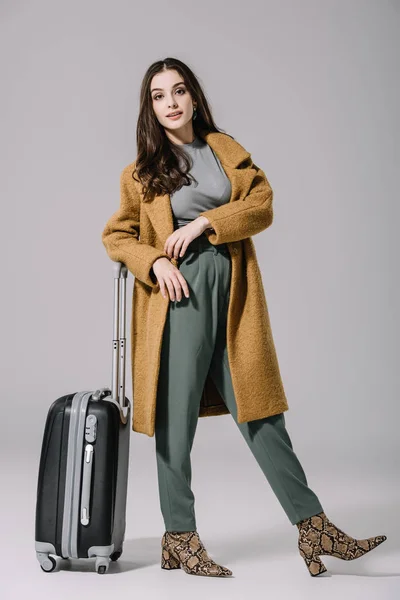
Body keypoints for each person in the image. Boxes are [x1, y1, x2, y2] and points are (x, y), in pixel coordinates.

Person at [101, 57, 387, 578]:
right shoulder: (140, 174)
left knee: (260, 413)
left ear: (193, 97)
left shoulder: (224, 149)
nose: (171, 103)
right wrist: (157, 259)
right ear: (150, 108)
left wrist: (206, 221)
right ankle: (180, 538)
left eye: (179, 91)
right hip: (178, 297)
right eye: (159, 96)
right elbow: (117, 237)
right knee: (175, 419)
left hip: (233, 293)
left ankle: (313, 527)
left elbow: (263, 204)